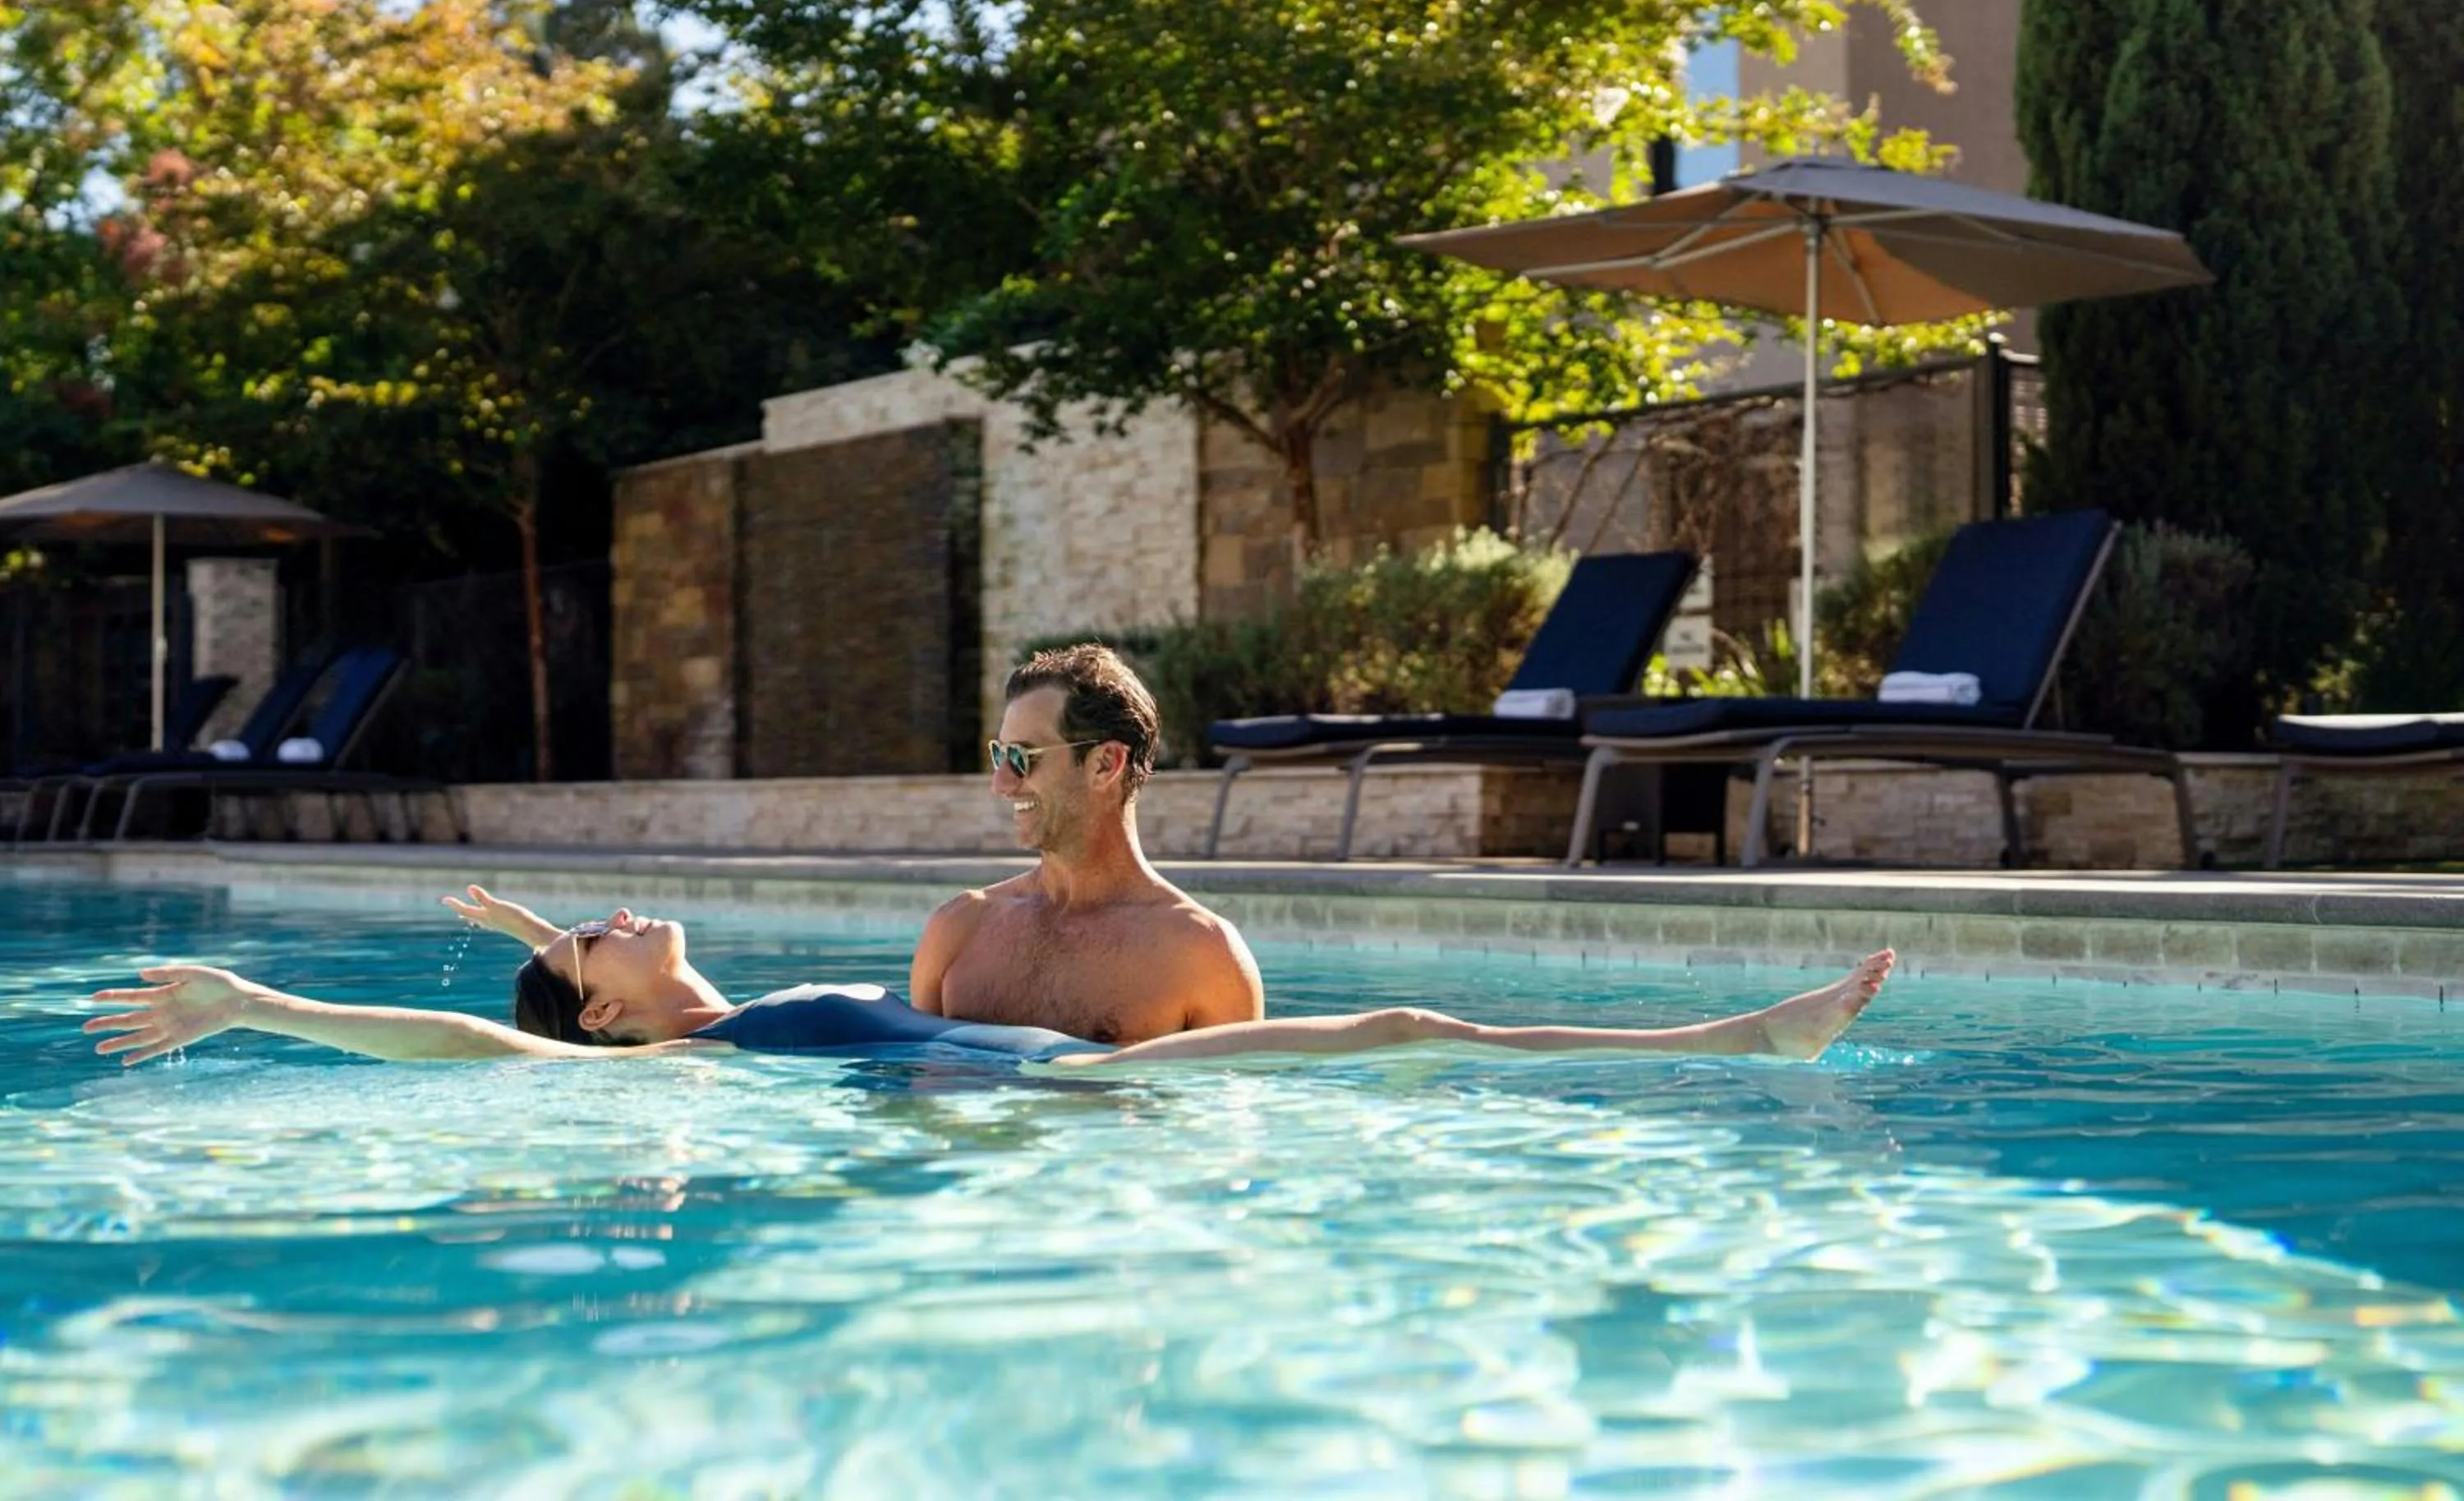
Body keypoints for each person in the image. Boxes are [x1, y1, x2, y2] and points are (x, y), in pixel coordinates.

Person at [83, 889, 1896, 1070]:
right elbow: (488, 1044)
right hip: (1050, 1100)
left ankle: (1732, 1035)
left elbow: (537, 988)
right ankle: (1735, 1034)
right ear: (613, 1013)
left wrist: (524, 935)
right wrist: (265, 1004)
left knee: (1406, 1033)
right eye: (597, 938)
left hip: (1040, 1090)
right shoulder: (666, 1063)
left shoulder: (710, 1019)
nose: (617, 915)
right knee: (1411, 1028)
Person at [909, 644, 1264, 1045]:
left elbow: (1226, 1102)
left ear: (1105, 764)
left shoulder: (1201, 955)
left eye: (1024, 757)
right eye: (1000, 755)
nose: (1002, 783)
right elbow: (919, 1088)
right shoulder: (959, 929)